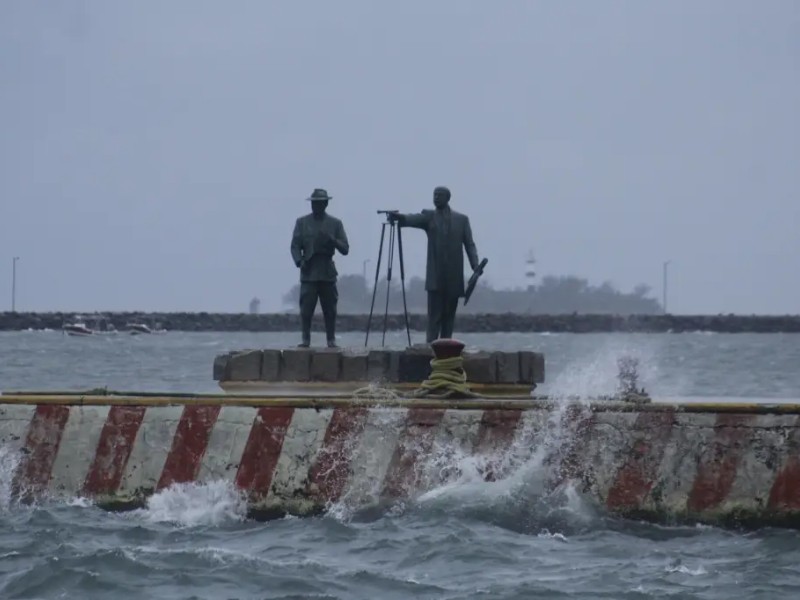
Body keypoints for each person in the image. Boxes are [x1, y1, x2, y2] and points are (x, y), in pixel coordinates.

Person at [389, 186, 480, 342]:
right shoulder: (429, 217)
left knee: (449, 318)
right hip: (435, 277)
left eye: (439, 195)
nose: (436, 197)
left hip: (453, 276)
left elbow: (469, 245)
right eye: (434, 195)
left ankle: (446, 349)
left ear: (447, 198)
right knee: (434, 317)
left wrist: (475, 266)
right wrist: (400, 218)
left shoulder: (461, 220)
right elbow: (412, 219)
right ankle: (430, 347)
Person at [290, 188, 349, 347]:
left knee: (330, 309)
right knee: (306, 309)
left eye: (319, 203)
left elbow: (345, 249)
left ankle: (331, 339)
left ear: (326, 204)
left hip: (327, 271)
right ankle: (305, 339)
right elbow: (295, 246)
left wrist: (333, 240)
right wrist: (299, 261)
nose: (316, 206)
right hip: (309, 271)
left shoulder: (335, 224)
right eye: (314, 203)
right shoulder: (301, 223)